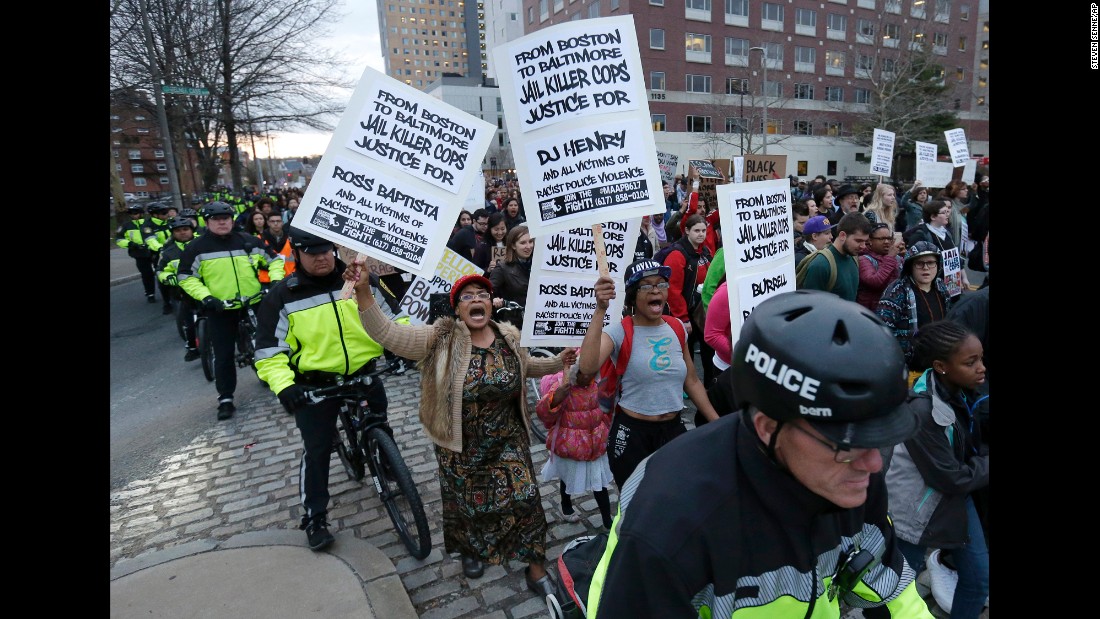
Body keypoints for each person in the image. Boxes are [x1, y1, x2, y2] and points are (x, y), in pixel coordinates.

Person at [586, 290, 932, 619]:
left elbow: (888, 587)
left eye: (880, 440)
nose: (873, 465)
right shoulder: (671, 520)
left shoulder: (851, 474)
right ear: (768, 428)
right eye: (845, 445)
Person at [342, 267, 571, 595]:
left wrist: (557, 363)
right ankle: (470, 550)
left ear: (491, 304)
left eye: (482, 295)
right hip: (459, 443)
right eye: (467, 296)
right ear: (457, 307)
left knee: (526, 499)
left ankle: (536, 570)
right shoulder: (440, 338)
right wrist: (365, 293)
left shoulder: (509, 337)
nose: (476, 300)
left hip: (508, 439)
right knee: (468, 503)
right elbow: (389, 334)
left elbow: (526, 366)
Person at [251, 229, 388, 551]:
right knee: (317, 450)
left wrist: (404, 348)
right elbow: (268, 352)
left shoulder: (361, 282)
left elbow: (396, 318)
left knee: (380, 424)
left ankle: (389, 466)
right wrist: (285, 387)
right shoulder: (281, 296)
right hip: (315, 386)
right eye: (311, 251)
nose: (321, 256)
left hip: (363, 373)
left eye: (325, 249)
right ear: (296, 254)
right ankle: (314, 516)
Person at [576, 259, 719, 489]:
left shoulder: (676, 327)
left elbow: (691, 380)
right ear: (633, 296)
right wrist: (600, 309)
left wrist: (716, 423)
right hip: (633, 435)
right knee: (635, 503)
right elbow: (587, 368)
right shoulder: (619, 331)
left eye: (661, 284)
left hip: (673, 430)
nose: (656, 290)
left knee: (676, 498)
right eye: (646, 286)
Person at [884, 320, 989, 619]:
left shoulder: (965, 390)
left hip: (955, 498)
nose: (981, 367)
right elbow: (951, 477)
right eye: (971, 362)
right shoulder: (922, 411)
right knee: (894, 590)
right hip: (917, 510)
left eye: (981, 358)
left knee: (979, 579)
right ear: (941, 366)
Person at [178, 201, 285, 420]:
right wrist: (206, 297)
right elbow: (186, 277)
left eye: (225, 218)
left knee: (271, 345)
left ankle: (282, 384)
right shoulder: (197, 247)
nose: (222, 222)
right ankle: (225, 398)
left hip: (253, 302)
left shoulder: (247, 240)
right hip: (220, 308)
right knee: (224, 354)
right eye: (216, 219)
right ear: (207, 222)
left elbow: (275, 260)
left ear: (232, 219)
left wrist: (274, 282)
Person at [534, 355, 615, 531]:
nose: (588, 376)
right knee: (567, 477)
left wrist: (604, 429)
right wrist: (555, 398)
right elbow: (545, 413)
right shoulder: (564, 387)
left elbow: (605, 410)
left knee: (599, 483)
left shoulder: (596, 386)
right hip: (571, 445)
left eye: (592, 372)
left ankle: (607, 518)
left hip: (594, 444)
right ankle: (566, 505)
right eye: (584, 373)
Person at [875, 242, 956, 373]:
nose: (926, 268)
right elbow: (882, 331)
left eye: (931, 262)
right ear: (910, 266)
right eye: (919, 263)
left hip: (939, 362)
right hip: (909, 366)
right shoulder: (897, 291)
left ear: (938, 265)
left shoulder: (941, 287)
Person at [660, 214, 715, 385]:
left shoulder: (704, 251)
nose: (701, 234)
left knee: (708, 349)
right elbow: (673, 290)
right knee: (686, 352)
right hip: (686, 313)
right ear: (686, 231)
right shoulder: (677, 254)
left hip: (702, 310)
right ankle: (686, 386)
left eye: (704, 231)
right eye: (696, 231)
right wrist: (683, 318)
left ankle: (710, 385)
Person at [799, 212, 872, 302]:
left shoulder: (853, 258)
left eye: (865, 241)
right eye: (858, 241)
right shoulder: (821, 265)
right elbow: (810, 306)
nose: (863, 246)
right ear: (842, 236)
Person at [156, 216, 201, 361]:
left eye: (185, 229)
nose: (182, 233)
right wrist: (167, 277)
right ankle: (192, 347)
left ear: (191, 230)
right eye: (178, 230)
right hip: (183, 292)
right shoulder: (168, 252)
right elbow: (160, 271)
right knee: (186, 320)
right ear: (172, 233)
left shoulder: (202, 244)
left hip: (207, 289)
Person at [115, 203, 160, 304]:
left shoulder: (149, 223)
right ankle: (150, 293)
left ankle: (167, 291)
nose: (133, 215)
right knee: (146, 274)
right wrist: (130, 244)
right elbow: (119, 239)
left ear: (141, 213)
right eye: (131, 213)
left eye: (136, 213)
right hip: (139, 253)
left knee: (160, 271)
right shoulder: (126, 226)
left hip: (154, 251)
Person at [856, 222, 906, 311]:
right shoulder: (863, 259)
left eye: (888, 238)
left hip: (894, 309)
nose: (886, 242)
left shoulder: (898, 258)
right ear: (870, 241)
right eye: (881, 239)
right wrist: (890, 258)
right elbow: (875, 282)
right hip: (872, 312)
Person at [489, 224, 534, 309]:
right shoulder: (502, 268)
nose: (528, 246)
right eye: (523, 243)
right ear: (513, 245)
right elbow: (488, 291)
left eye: (531, 241)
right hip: (513, 318)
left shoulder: (539, 264)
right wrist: (495, 299)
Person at [258, 211, 293, 289]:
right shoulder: (259, 239)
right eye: (273, 221)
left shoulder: (291, 238)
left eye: (278, 221)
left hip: (289, 279)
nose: (276, 223)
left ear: (282, 222)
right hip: (267, 281)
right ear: (268, 223)